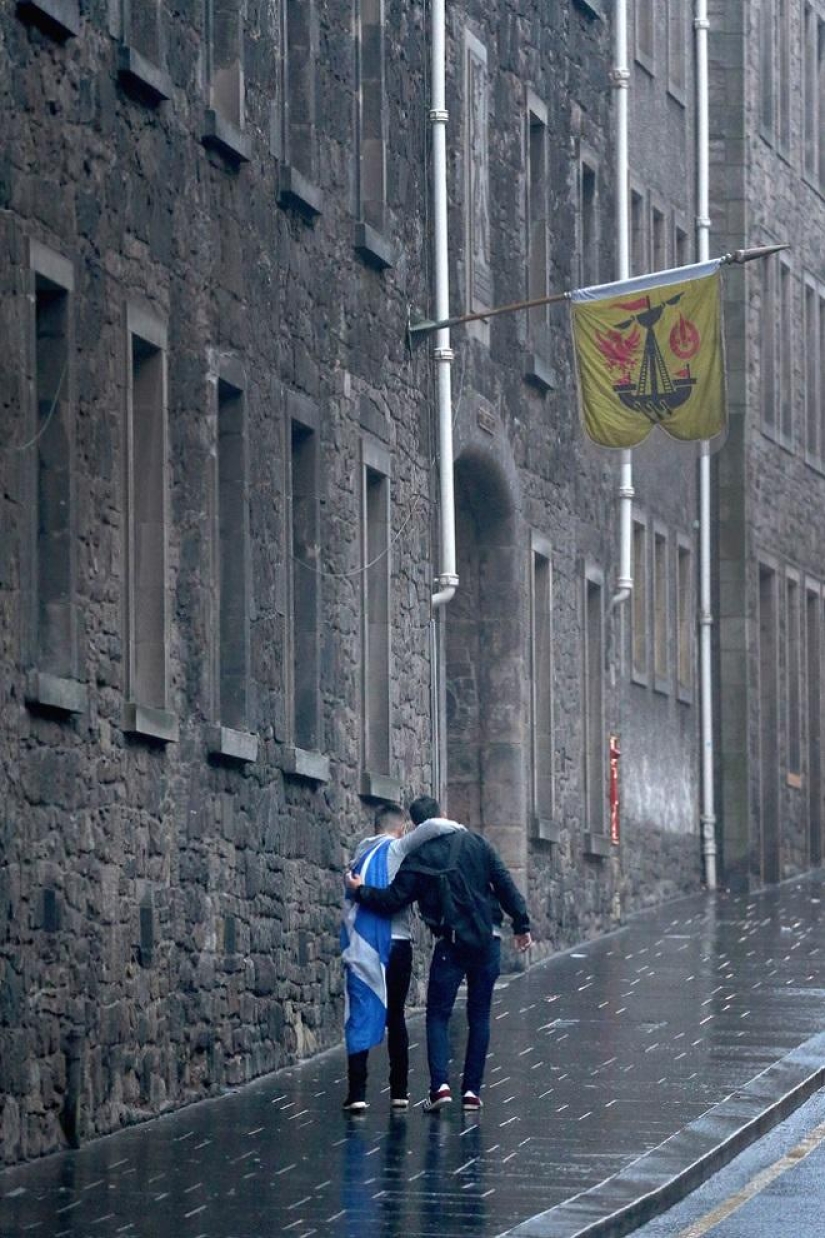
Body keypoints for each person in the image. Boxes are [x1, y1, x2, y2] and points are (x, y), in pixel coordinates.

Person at [346, 795, 532, 1113]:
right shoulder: (478, 843)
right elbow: (504, 883)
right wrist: (521, 924)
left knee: (438, 1014)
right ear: (442, 815)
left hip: (452, 943)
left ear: (416, 826)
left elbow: (393, 899)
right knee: (479, 1015)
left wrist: (360, 890)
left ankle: (440, 1087)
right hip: (488, 939)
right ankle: (471, 1092)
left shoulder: (419, 857)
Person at [340, 803, 462, 1112]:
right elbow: (433, 827)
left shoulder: (360, 854)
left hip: (362, 946)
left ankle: (357, 1093)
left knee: (360, 1011)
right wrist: (460, 829)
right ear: (402, 828)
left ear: (375, 826)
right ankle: (399, 1092)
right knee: (395, 1016)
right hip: (397, 945)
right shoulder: (397, 849)